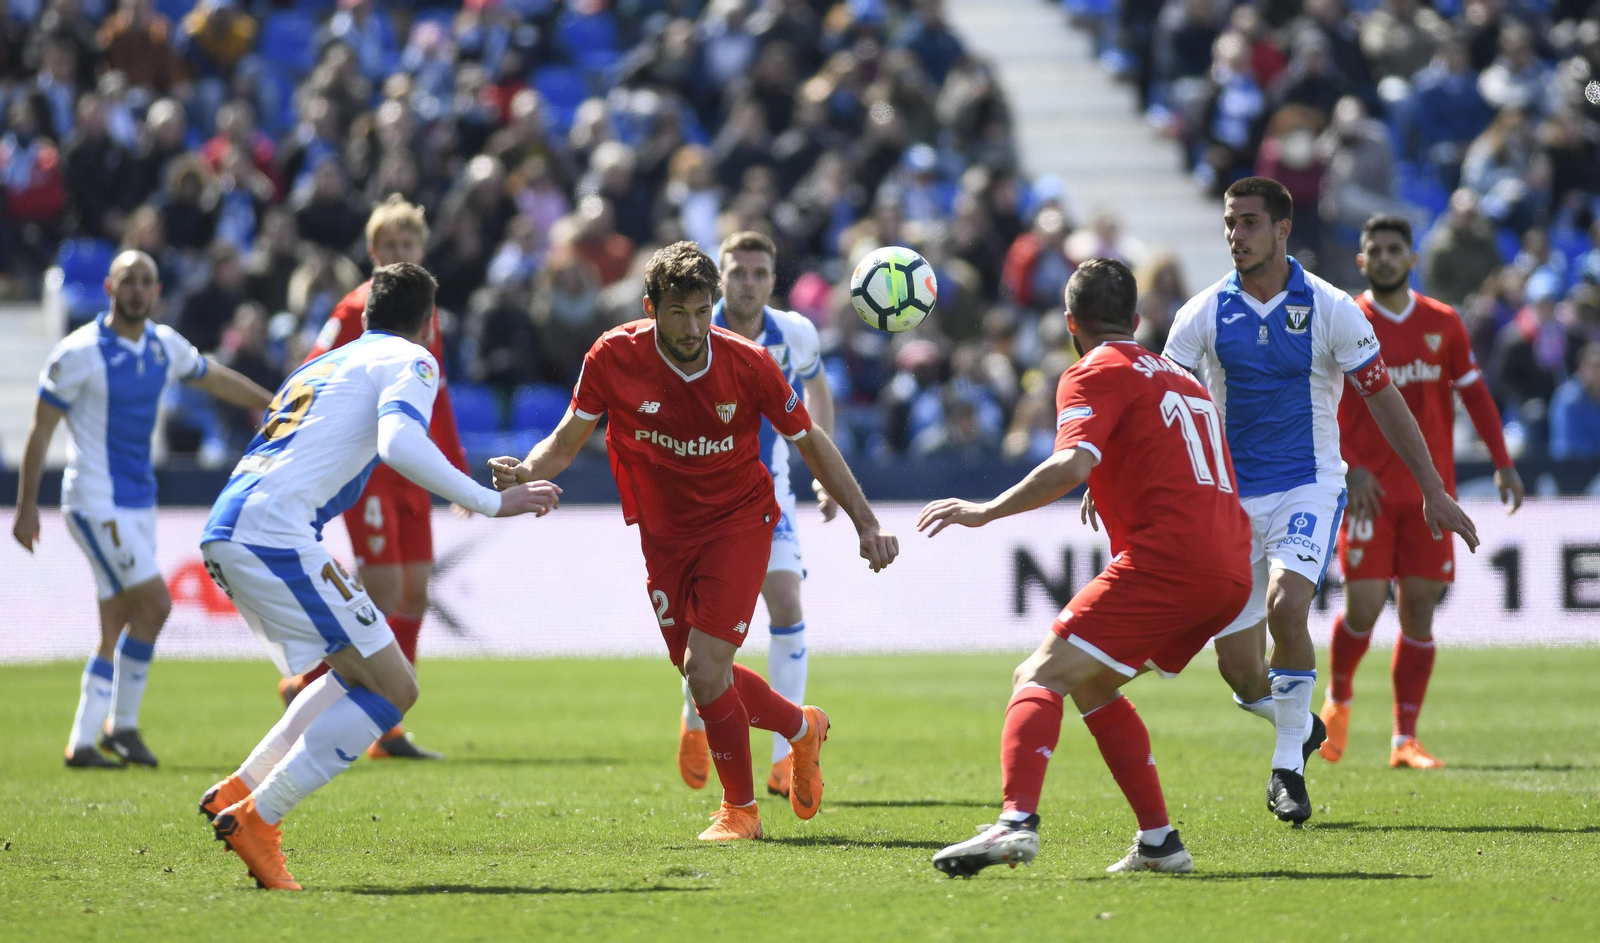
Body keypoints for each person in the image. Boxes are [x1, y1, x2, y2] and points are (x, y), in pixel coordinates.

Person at [490, 242, 899, 841]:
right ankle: (803, 728)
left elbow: (810, 439)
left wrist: (866, 521)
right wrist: (528, 471)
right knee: (704, 674)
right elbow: (567, 437)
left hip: (739, 522)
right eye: (679, 313)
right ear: (651, 307)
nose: (693, 327)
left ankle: (741, 812)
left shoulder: (749, 362)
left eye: (703, 311)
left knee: (706, 670)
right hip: (663, 535)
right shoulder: (612, 356)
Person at [194, 263, 560, 891]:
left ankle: (242, 786)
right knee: (395, 689)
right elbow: (398, 444)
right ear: (430, 324)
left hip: (230, 527)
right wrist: (490, 501)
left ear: (363, 316)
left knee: (354, 671)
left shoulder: (319, 364)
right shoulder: (412, 361)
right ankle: (260, 817)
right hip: (275, 536)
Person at [922, 259, 1252, 877]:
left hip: (1170, 559)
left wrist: (986, 510)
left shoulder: (1090, 370)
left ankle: (1015, 823)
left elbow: (1073, 462)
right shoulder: (1182, 379)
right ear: (1135, 319)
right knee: (1094, 684)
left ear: (1070, 323)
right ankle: (1160, 841)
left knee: (1038, 674)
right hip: (1231, 562)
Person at [1162, 177, 1478, 824]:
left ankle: (1287, 770)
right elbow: (1160, 400)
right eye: (1229, 223)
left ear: (1282, 229)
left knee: (1288, 605)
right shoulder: (1201, 313)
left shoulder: (1333, 308)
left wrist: (1432, 488)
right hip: (1232, 498)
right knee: (1240, 671)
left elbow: (1384, 398)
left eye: (1248, 222)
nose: (1235, 235)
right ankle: (1298, 721)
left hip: (1309, 484)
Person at [11, 251, 273, 769]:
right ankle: (123, 727)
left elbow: (216, 377)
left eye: (146, 281)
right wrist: (26, 506)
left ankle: (85, 741)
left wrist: (274, 402)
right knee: (155, 605)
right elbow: (40, 430)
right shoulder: (78, 352)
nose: (137, 289)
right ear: (109, 287)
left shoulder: (163, 346)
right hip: (93, 501)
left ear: (157, 292)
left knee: (115, 623)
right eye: (128, 280)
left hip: (139, 502)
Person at [1321, 214, 1524, 770]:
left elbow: (1475, 395)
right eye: (1375, 250)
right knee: (1363, 604)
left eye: (1394, 249)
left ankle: (1403, 739)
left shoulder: (1444, 323)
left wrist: (1502, 463)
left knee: (1418, 613)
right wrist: (1350, 466)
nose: (1385, 258)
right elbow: (1325, 404)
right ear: (1361, 261)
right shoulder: (1346, 321)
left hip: (1431, 495)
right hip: (1367, 491)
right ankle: (1338, 699)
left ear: (1412, 259)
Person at [273, 196, 468, 761]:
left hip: (412, 471)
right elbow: (310, 370)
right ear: (372, 252)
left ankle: (387, 723)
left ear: (422, 250)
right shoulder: (356, 307)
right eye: (391, 247)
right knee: (381, 590)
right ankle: (312, 682)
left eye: (409, 246)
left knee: (415, 590)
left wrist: (452, 467)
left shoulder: (426, 314)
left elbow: (441, 394)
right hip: (371, 471)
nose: (400, 254)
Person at [674, 231, 839, 798]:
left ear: (773, 279)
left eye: (759, 273)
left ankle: (784, 756)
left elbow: (818, 394)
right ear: (720, 276)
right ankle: (695, 721)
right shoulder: (692, 328)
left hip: (768, 494)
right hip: (695, 498)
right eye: (738, 272)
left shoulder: (794, 333)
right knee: (701, 628)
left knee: (787, 599)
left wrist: (824, 473)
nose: (748, 282)